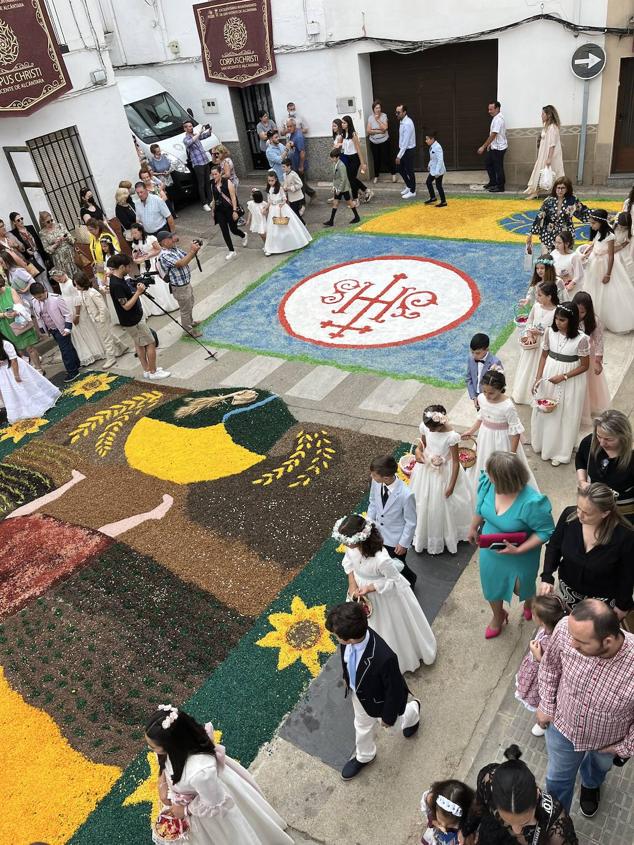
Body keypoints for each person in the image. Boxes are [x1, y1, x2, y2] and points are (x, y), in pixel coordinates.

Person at [537, 599, 634, 817]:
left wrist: (624, 748)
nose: (572, 644)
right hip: (563, 729)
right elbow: (550, 667)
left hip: (608, 743)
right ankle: (557, 825)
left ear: (607, 641)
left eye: (581, 642)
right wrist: (545, 705)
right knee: (557, 779)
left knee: (597, 769)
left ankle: (591, 785)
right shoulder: (565, 628)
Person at [144, 706, 293, 844]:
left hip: (210, 808)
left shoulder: (200, 772)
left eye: (153, 747)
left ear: (172, 745)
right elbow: (164, 759)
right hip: (195, 794)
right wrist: (161, 781)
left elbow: (214, 803)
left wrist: (184, 810)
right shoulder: (183, 742)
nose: (150, 749)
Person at [325, 601, 422, 780]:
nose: (336, 639)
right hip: (359, 696)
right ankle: (365, 755)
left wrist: (388, 717)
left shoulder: (384, 657)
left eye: (337, 636)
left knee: (393, 728)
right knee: (361, 725)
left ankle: (413, 711)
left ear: (351, 638)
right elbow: (346, 659)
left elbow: (394, 690)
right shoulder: (348, 640)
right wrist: (348, 678)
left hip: (381, 702)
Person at [467, 451, 555, 638]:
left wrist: (519, 550)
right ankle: (498, 616)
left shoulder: (532, 503)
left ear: (504, 479)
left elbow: (546, 531)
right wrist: (473, 527)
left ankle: (529, 602)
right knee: (492, 585)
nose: (486, 475)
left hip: (521, 552)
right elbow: (480, 506)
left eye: (491, 474)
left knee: (521, 587)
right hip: (492, 549)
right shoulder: (488, 483)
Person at [335, 513, 436, 672]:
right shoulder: (352, 548)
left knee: (390, 627)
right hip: (360, 589)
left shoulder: (381, 559)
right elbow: (349, 562)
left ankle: (400, 658)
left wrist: (370, 588)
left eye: (348, 541)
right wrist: (352, 584)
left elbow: (394, 580)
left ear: (360, 539)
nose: (346, 545)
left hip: (384, 597)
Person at [539, 483, 634, 619]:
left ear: (605, 513)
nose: (580, 516)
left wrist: (623, 605)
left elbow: (627, 574)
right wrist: (547, 576)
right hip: (569, 588)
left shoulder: (625, 536)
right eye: (579, 508)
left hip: (602, 598)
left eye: (587, 513)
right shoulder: (569, 516)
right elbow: (554, 546)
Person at [470, 744, 578, 844]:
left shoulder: (558, 831)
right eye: (506, 820)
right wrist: (467, 830)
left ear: (537, 795)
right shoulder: (487, 781)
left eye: (525, 822)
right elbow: (479, 806)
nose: (516, 831)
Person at [531, 302, 590, 467]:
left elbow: (585, 366)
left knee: (565, 412)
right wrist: (538, 377)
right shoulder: (550, 332)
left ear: (571, 321)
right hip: (549, 374)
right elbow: (543, 355)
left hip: (569, 380)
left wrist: (564, 376)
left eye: (562, 320)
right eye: (556, 318)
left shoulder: (582, 339)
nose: (557, 322)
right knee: (545, 408)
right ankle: (542, 444)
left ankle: (560, 451)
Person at [411, 405, 473, 555]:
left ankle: (448, 535)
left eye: (433, 429)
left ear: (442, 423)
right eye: (428, 428)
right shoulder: (426, 427)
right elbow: (422, 445)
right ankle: (422, 533)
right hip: (426, 469)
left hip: (445, 472)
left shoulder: (451, 436)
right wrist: (418, 452)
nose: (430, 431)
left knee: (441, 504)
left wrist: (451, 486)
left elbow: (456, 462)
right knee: (423, 500)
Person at [465, 371, 538, 493]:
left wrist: (512, 454)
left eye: (491, 393)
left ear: (501, 389)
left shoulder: (507, 406)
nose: (487, 395)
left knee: (502, 467)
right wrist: (471, 431)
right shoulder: (481, 398)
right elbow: (481, 416)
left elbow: (515, 431)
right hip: (485, 435)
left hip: (502, 439)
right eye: (485, 391)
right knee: (483, 460)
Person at [106, 254, 170, 380]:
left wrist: (134, 291)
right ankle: (153, 372)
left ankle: (147, 370)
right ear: (122, 267)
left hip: (130, 320)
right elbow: (126, 306)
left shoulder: (116, 279)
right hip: (133, 320)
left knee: (139, 344)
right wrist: (138, 293)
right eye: (128, 267)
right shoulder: (117, 284)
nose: (130, 269)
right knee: (150, 343)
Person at [515, 595, 567, 736]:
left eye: (533, 613)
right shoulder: (551, 629)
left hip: (542, 681)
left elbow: (557, 668)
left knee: (545, 701)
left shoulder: (555, 642)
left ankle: (543, 723)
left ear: (541, 621)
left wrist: (538, 657)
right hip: (535, 672)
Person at [579, 208, 634, 334]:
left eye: (593, 223)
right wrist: (589, 250)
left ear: (601, 222)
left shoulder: (610, 235)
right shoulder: (599, 231)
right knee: (593, 288)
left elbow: (611, 255)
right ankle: (592, 316)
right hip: (595, 262)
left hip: (604, 264)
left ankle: (607, 318)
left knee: (607, 291)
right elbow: (595, 242)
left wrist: (608, 273)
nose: (591, 225)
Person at [366, 453, 418, 587]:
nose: (371, 477)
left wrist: (403, 543)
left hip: (395, 540)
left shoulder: (406, 495)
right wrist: (369, 524)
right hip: (378, 534)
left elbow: (411, 522)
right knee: (385, 562)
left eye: (374, 475)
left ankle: (411, 580)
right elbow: (373, 502)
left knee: (398, 564)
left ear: (386, 477)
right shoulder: (376, 483)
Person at [576, 410, 634, 524]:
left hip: (623, 511)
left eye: (608, 439)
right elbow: (580, 459)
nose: (601, 443)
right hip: (594, 506)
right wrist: (582, 481)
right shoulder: (590, 442)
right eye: (599, 436)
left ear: (623, 436)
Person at [511, 281, 558, 406]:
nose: (537, 297)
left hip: (544, 345)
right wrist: (530, 333)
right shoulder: (536, 306)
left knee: (539, 367)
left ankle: (537, 394)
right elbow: (530, 320)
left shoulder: (556, 311)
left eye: (540, 295)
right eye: (537, 294)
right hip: (532, 342)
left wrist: (541, 332)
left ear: (549, 296)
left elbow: (555, 329)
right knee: (527, 366)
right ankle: (522, 393)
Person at [73, 272, 128, 369]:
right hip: (94, 319)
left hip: (100, 319)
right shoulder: (84, 293)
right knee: (107, 334)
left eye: (77, 284)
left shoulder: (92, 293)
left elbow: (102, 307)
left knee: (105, 338)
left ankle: (111, 357)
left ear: (82, 283)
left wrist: (101, 319)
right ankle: (122, 346)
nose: (76, 286)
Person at [30, 281, 81, 382]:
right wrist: (42, 329)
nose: (39, 299)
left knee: (65, 350)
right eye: (36, 297)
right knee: (68, 347)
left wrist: (67, 328)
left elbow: (67, 314)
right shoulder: (35, 301)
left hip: (61, 328)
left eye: (40, 296)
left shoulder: (56, 299)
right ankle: (76, 365)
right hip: (51, 329)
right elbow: (38, 316)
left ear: (45, 291)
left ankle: (72, 372)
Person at [54, 268, 106, 366]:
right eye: (57, 280)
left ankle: (96, 351)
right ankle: (88, 352)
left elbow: (78, 298)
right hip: (69, 309)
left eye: (60, 278)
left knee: (86, 329)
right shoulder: (61, 284)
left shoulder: (71, 284)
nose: (59, 281)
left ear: (64, 273)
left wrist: (77, 314)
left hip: (77, 309)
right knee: (79, 332)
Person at [0, 337, 60, 423]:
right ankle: (20, 412)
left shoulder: (5, 344)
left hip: (14, 368)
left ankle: (36, 406)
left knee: (24, 387)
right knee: (12, 392)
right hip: (3, 372)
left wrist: (16, 375)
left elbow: (14, 360)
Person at [571, 291, 610, 424]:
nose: (579, 315)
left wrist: (598, 362)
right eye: (577, 311)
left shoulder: (595, 321)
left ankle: (584, 408)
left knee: (586, 383)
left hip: (587, 355)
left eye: (582, 312)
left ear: (588, 310)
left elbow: (599, 341)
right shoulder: (570, 317)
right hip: (572, 354)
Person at [156, 230, 202, 337]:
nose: (173, 239)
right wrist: (192, 251)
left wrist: (195, 249)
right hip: (179, 287)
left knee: (190, 304)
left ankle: (190, 323)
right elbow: (181, 263)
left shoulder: (174, 249)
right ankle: (189, 331)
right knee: (185, 309)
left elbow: (187, 257)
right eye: (170, 238)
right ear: (164, 242)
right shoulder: (164, 255)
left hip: (186, 283)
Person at [526, 177, 590, 255]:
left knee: (565, 258)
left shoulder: (572, 200)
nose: (560, 190)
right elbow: (540, 216)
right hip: (549, 233)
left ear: (567, 189)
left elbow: (583, 212)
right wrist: (530, 234)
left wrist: (600, 217)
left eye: (563, 188)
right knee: (548, 259)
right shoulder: (548, 200)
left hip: (565, 234)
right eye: (558, 188)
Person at [130, 222, 179, 316]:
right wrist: (136, 257)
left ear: (140, 231)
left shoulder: (150, 239)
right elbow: (136, 253)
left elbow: (158, 249)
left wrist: (146, 256)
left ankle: (168, 303)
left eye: (135, 233)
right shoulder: (135, 243)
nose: (134, 235)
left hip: (153, 262)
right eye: (132, 233)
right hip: (144, 265)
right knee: (150, 285)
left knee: (159, 282)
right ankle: (156, 307)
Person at [262, 170, 312, 257]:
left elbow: (284, 198)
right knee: (273, 229)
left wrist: (282, 203)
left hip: (281, 208)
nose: (270, 182)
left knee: (287, 226)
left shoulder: (280, 188)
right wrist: (266, 208)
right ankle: (272, 247)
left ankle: (293, 243)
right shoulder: (269, 189)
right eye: (269, 180)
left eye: (272, 180)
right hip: (273, 210)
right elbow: (269, 200)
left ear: (276, 180)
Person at [0, 275, 42, 371]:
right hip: (5, 327)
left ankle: (39, 369)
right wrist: (4, 315)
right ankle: (27, 371)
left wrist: (16, 311)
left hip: (19, 323)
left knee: (30, 348)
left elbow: (19, 304)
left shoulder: (9, 290)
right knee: (15, 351)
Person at [525, 105, 565, 199]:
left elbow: (552, 144)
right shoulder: (547, 127)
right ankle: (536, 192)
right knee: (541, 172)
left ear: (549, 115)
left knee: (554, 172)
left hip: (550, 154)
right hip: (544, 153)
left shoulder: (552, 128)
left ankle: (560, 192)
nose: (541, 115)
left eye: (543, 113)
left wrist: (549, 158)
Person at [419, 780, 475, 845]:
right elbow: (427, 803)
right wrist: (435, 822)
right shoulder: (432, 802)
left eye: (450, 825)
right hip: (434, 838)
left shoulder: (469, 829)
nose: (443, 828)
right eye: (440, 822)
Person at [210, 163, 247, 260]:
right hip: (219, 211)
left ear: (220, 173)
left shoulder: (228, 182)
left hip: (229, 209)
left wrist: (234, 211)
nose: (214, 176)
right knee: (224, 231)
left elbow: (234, 198)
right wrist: (213, 210)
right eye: (212, 174)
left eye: (215, 174)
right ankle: (231, 251)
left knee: (233, 230)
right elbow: (214, 198)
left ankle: (243, 235)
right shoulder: (213, 184)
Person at [323, 148, 361, 227]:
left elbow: (344, 179)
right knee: (335, 203)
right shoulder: (335, 164)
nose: (331, 159)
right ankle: (331, 220)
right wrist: (334, 187)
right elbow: (335, 178)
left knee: (349, 202)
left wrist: (339, 189)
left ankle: (357, 217)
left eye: (333, 157)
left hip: (343, 188)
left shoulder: (341, 165)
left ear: (337, 157)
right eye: (331, 157)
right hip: (338, 188)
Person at [466, 333, 503, 410]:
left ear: (487, 349)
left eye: (477, 353)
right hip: (477, 397)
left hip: (490, 399)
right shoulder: (470, 358)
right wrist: (474, 397)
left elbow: (499, 386)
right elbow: (468, 378)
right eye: (472, 352)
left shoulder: (495, 363)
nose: (474, 356)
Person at [340, 115, 372, 204]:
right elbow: (343, 147)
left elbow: (358, 149)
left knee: (352, 178)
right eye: (342, 122)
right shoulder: (343, 134)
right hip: (346, 158)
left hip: (354, 158)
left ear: (348, 124)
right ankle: (366, 190)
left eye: (344, 123)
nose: (342, 124)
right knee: (351, 178)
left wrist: (362, 163)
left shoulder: (353, 134)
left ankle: (355, 199)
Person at [183, 119, 214, 211]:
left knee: (208, 182)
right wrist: (198, 133)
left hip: (205, 161)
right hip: (197, 163)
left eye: (191, 126)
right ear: (185, 129)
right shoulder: (186, 139)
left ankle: (211, 201)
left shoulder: (195, 135)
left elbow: (204, 136)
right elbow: (190, 142)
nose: (191, 128)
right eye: (188, 126)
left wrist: (209, 130)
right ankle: (204, 203)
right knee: (201, 184)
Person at [9, 212, 48, 283]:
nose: (21, 221)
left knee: (44, 274)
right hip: (29, 258)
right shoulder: (13, 233)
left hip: (38, 254)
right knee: (37, 278)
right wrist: (26, 252)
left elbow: (39, 242)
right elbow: (18, 249)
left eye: (21, 218)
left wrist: (45, 256)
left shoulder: (30, 227)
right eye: (18, 220)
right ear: (14, 222)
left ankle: (49, 292)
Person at [478, 101, 508, 193]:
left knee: (498, 167)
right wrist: (490, 145)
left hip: (499, 148)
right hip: (494, 147)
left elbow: (494, 134)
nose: (489, 111)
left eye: (491, 109)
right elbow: (493, 134)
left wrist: (483, 146)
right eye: (489, 109)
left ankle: (500, 186)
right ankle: (493, 182)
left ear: (497, 109)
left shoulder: (498, 119)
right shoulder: (495, 118)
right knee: (488, 163)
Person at [367, 100, 395, 184]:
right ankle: (376, 176)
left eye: (379, 107)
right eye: (376, 108)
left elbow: (385, 128)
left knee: (387, 158)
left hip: (384, 141)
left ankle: (393, 174)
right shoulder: (370, 117)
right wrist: (379, 131)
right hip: (373, 142)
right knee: (376, 159)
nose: (378, 109)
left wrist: (378, 120)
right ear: (373, 109)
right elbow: (368, 130)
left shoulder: (384, 116)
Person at [86, 218, 120, 290]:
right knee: (106, 290)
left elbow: (116, 251)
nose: (90, 232)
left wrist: (109, 267)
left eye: (91, 229)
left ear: (97, 228)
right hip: (100, 269)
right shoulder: (92, 237)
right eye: (89, 230)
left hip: (110, 268)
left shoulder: (106, 236)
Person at [285, 117, 315, 198]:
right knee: (301, 182)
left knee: (300, 184)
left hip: (299, 164)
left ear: (295, 126)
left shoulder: (298, 136)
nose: (288, 128)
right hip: (294, 163)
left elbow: (302, 152)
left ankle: (302, 203)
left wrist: (301, 166)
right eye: (287, 127)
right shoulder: (293, 133)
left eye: (290, 126)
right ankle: (312, 194)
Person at [551, 231, 584, 301]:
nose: (556, 245)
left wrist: (571, 284)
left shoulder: (573, 257)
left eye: (559, 243)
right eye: (555, 242)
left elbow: (579, 274)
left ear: (567, 244)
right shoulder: (553, 253)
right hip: (556, 286)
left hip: (569, 289)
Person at [395, 104, 416, 198]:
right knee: (400, 169)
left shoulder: (407, 123)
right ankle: (409, 185)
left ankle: (413, 191)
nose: (397, 114)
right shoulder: (402, 121)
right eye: (396, 112)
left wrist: (399, 155)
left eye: (398, 112)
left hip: (408, 150)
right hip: (404, 149)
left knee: (409, 171)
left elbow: (406, 142)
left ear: (404, 112)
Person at [424, 131, 447, 207]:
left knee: (438, 185)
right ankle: (433, 197)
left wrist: (437, 172)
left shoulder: (437, 147)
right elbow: (432, 158)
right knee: (428, 182)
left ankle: (443, 202)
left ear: (432, 139)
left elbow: (440, 160)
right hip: (434, 169)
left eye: (427, 139)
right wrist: (429, 165)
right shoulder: (432, 146)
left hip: (438, 170)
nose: (426, 141)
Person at [281, 160, 306, 224]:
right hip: (291, 197)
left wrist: (289, 188)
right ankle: (301, 223)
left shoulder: (293, 174)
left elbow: (300, 184)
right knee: (294, 212)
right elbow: (286, 183)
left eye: (284, 167)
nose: (282, 168)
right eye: (282, 167)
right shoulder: (284, 174)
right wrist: (284, 187)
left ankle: (303, 224)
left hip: (297, 197)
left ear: (289, 166)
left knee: (295, 212)